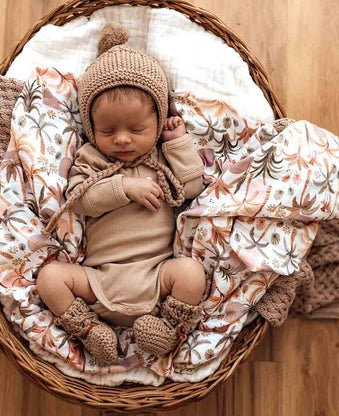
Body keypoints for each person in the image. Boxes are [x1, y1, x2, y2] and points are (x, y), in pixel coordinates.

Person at [36, 22, 206, 367]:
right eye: (108, 130)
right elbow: (80, 198)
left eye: (137, 129)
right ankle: (86, 329)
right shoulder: (92, 158)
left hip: (158, 277)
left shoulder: (161, 159)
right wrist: (124, 188)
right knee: (49, 278)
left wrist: (180, 144)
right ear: (90, 128)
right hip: (98, 279)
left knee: (191, 273)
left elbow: (191, 188)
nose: (123, 140)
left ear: (158, 122)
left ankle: (168, 328)